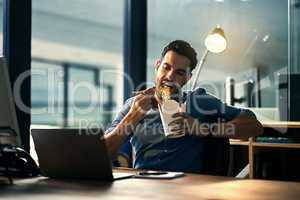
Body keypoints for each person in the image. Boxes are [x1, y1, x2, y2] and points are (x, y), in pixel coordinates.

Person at [104, 40, 263, 174]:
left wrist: (203, 128)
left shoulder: (199, 101)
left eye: (179, 73)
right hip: (144, 188)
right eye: (166, 67)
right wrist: (133, 116)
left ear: (188, 77)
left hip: (187, 189)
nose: (170, 77)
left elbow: (254, 126)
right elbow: (100, 155)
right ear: (157, 66)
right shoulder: (134, 104)